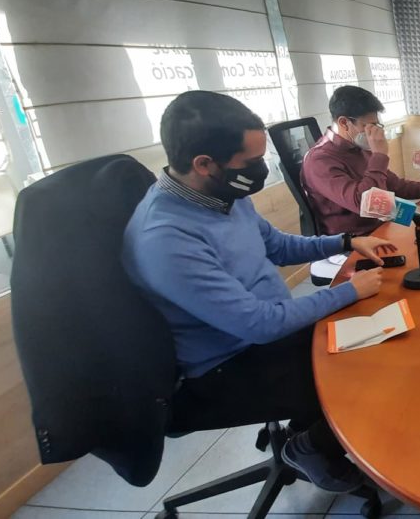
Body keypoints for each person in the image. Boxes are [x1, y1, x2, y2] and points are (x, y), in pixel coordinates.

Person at [123, 90, 394, 493]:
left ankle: (309, 429)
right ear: (203, 164)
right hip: (227, 366)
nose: (260, 170)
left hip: (267, 333)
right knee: (361, 370)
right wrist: (350, 291)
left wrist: (346, 243)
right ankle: (309, 447)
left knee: (380, 334)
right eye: (251, 162)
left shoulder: (219, 195)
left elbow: (278, 246)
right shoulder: (166, 237)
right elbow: (259, 325)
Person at [302, 85, 420, 236]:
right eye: (368, 126)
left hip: (381, 227)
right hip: (353, 243)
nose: (375, 132)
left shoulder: (359, 148)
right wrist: (380, 155)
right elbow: (365, 203)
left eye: (377, 125)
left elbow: (396, 186)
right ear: (344, 123)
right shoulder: (319, 160)